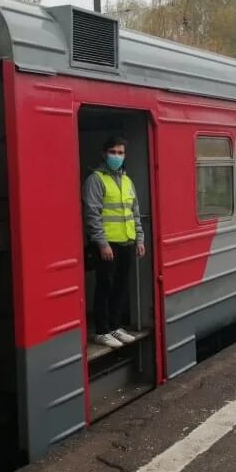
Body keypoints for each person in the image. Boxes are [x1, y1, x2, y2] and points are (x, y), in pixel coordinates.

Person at [82, 136, 146, 349]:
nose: (117, 156)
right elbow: (93, 214)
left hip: (126, 242)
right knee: (105, 287)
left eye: (121, 153)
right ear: (104, 153)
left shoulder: (127, 181)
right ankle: (102, 330)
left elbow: (134, 212)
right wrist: (102, 243)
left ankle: (115, 326)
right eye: (113, 152)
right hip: (108, 245)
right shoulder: (96, 179)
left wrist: (139, 239)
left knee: (120, 286)